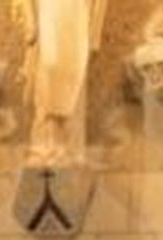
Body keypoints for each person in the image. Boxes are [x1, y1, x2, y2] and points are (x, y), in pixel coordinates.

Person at [20, 0, 109, 167]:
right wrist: (30, 21)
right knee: (49, 67)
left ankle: (67, 144)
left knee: (73, 73)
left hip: (79, 13)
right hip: (49, 10)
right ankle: (44, 144)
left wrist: (95, 32)